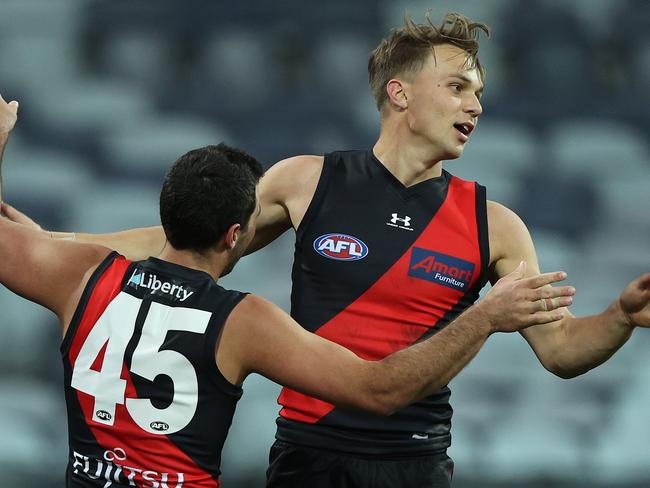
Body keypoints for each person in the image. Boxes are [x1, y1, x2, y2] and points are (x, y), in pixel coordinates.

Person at [2, 11, 650, 488]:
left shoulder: (495, 225)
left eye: (479, 91)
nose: (475, 104)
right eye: (458, 86)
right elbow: (183, 242)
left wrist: (618, 317)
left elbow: (562, 353)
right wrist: (53, 244)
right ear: (400, 93)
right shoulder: (305, 180)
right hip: (307, 457)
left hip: (414, 462)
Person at [0, 134, 577, 486]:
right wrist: (484, 317)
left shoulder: (81, 275)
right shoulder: (242, 321)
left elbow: (24, 246)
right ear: (236, 235)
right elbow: (378, 390)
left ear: (166, 212)